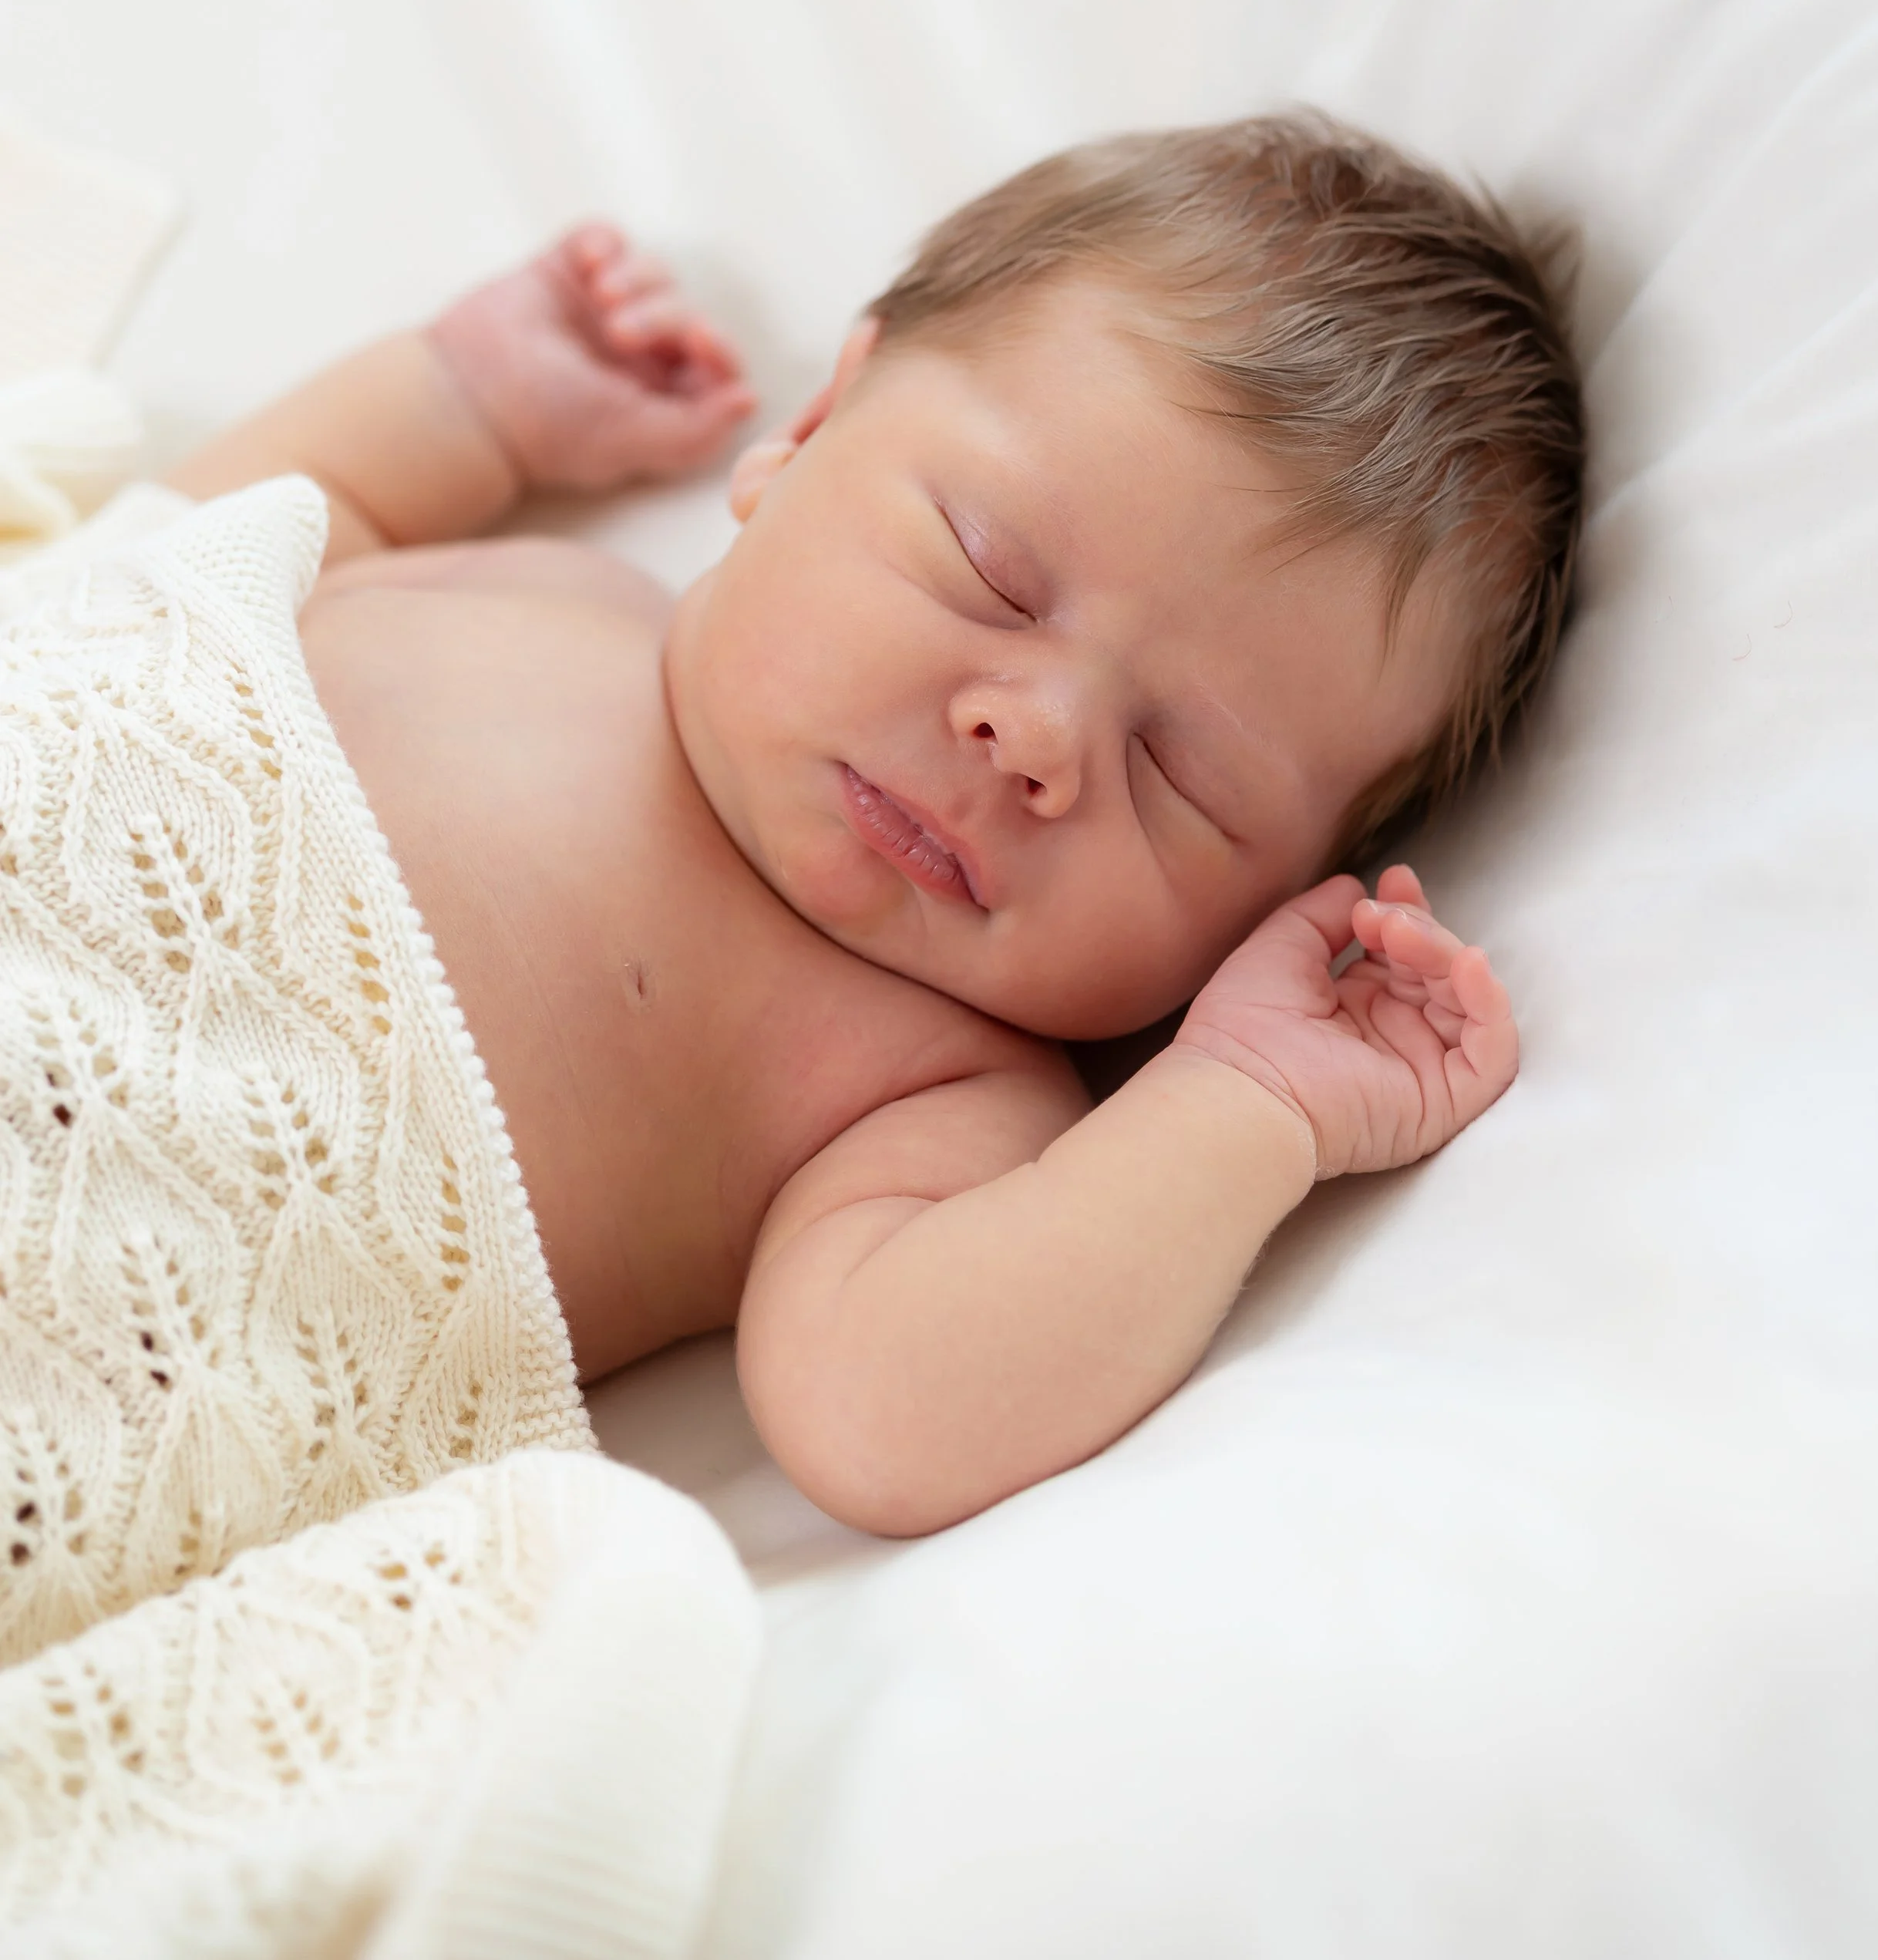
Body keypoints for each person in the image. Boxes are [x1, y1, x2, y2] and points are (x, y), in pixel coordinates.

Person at [170, 114, 1584, 1536]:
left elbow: (885, 1415)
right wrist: (459, 402)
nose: (1032, 738)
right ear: (806, 432)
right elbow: (194, 551)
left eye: (1179, 775)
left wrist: (1240, 1106)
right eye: (990, 573)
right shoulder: (541, 594)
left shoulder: (931, 1093)